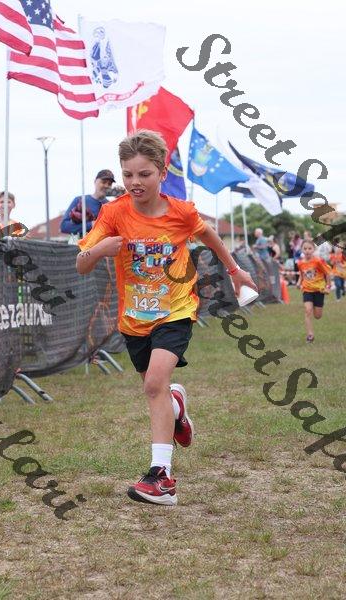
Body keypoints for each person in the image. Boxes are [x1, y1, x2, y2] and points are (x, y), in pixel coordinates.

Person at [76, 130, 257, 506]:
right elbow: (81, 264)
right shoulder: (113, 213)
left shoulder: (181, 212)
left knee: (153, 383)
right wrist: (99, 251)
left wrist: (235, 271)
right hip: (134, 318)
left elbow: (209, 235)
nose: (135, 182)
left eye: (144, 174)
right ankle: (176, 406)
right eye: (128, 174)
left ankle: (161, 478)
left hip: (176, 310)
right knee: (156, 389)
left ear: (161, 172)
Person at [60, 169, 116, 237]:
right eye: (103, 182)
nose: (106, 186)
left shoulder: (111, 206)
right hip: (80, 243)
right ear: (95, 181)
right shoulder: (80, 200)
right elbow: (64, 226)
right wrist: (91, 225)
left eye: (109, 184)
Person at [296, 240, 332, 343]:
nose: (307, 251)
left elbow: (327, 273)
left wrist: (328, 286)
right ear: (302, 250)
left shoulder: (318, 261)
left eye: (309, 248)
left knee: (317, 315)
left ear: (314, 249)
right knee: (308, 310)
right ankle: (310, 335)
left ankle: (318, 312)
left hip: (319, 290)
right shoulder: (300, 263)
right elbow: (302, 274)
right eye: (305, 248)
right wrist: (299, 282)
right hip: (307, 289)